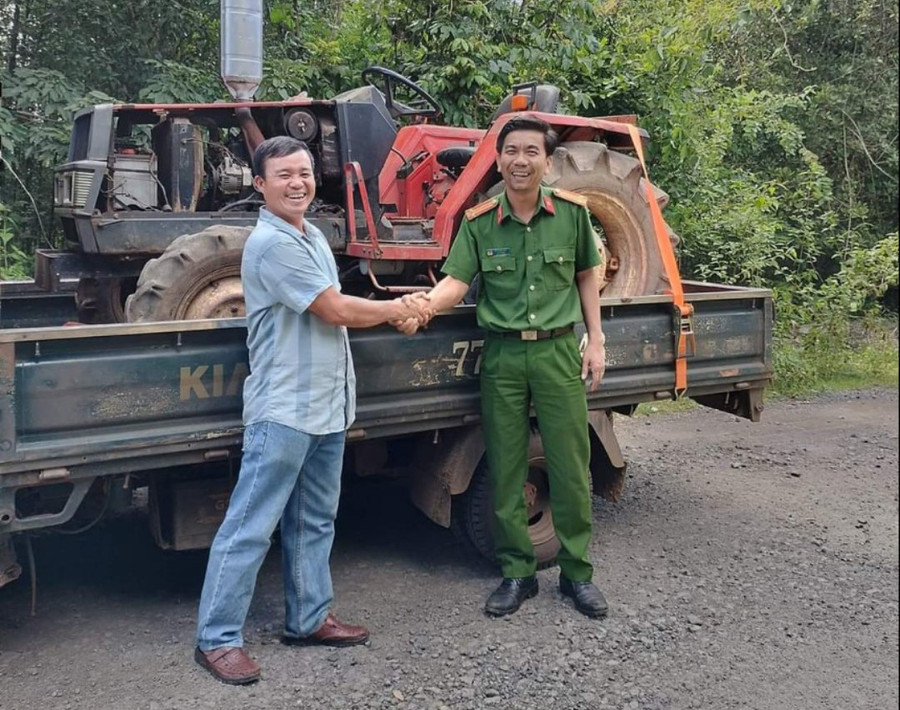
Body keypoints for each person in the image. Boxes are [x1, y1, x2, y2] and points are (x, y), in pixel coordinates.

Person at [194, 135, 431, 685]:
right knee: (250, 528)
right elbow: (332, 308)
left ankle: (307, 619)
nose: (297, 182)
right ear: (260, 185)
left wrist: (397, 307)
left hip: (326, 405)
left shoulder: (313, 237)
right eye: (283, 175)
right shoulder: (271, 244)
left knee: (315, 520)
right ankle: (218, 639)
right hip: (284, 409)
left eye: (304, 172)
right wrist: (401, 308)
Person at [404, 115, 609, 619]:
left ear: (547, 159)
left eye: (531, 151)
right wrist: (425, 306)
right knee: (507, 466)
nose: (520, 160)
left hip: (559, 352)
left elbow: (588, 275)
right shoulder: (478, 223)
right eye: (511, 151)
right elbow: (455, 282)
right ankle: (518, 572)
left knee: (569, 467)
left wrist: (597, 339)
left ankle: (577, 574)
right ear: (498, 159)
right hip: (502, 355)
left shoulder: (572, 214)